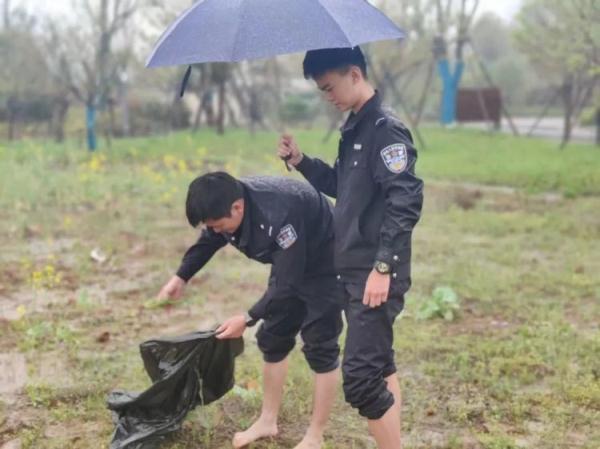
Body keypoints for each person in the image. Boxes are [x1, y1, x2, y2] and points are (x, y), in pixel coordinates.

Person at [277, 46, 424, 449]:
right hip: (353, 267)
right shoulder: (355, 128)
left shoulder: (385, 130)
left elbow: (405, 200)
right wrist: (302, 160)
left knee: (360, 379)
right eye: (322, 91)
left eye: (330, 87)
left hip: (373, 273)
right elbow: (342, 188)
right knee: (380, 363)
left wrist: (383, 267)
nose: (328, 97)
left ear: (354, 74)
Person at [157, 172, 343, 449]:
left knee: (320, 345)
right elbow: (209, 240)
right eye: (212, 226)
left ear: (238, 208)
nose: (217, 231)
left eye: (219, 226)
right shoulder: (225, 204)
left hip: (328, 260)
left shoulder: (279, 214)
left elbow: (288, 283)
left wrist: (247, 318)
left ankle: (315, 436)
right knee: (273, 338)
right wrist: (180, 277)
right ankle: (268, 421)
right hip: (290, 261)